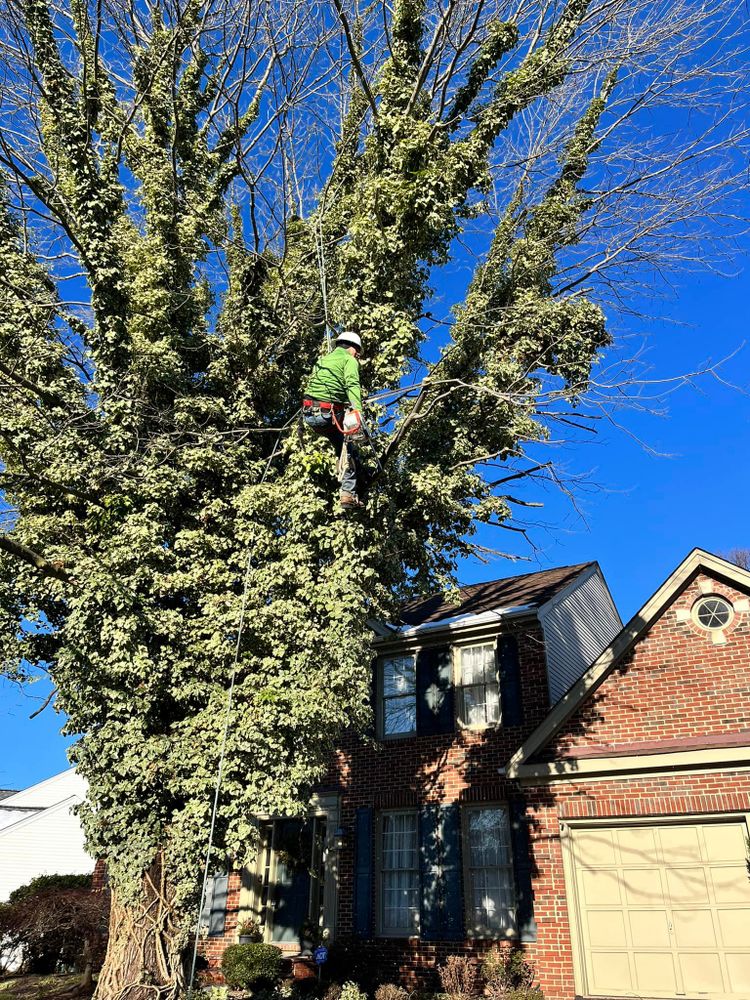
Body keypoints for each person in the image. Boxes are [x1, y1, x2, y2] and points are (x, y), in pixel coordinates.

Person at [303, 331, 366, 508]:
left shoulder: (322, 360)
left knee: (340, 445)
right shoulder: (349, 360)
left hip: (309, 414)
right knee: (350, 448)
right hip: (327, 415)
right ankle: (348, 494)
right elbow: (352, 384)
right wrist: (358, 412)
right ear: (353, 349)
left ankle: (349, 488)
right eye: (357, 353)